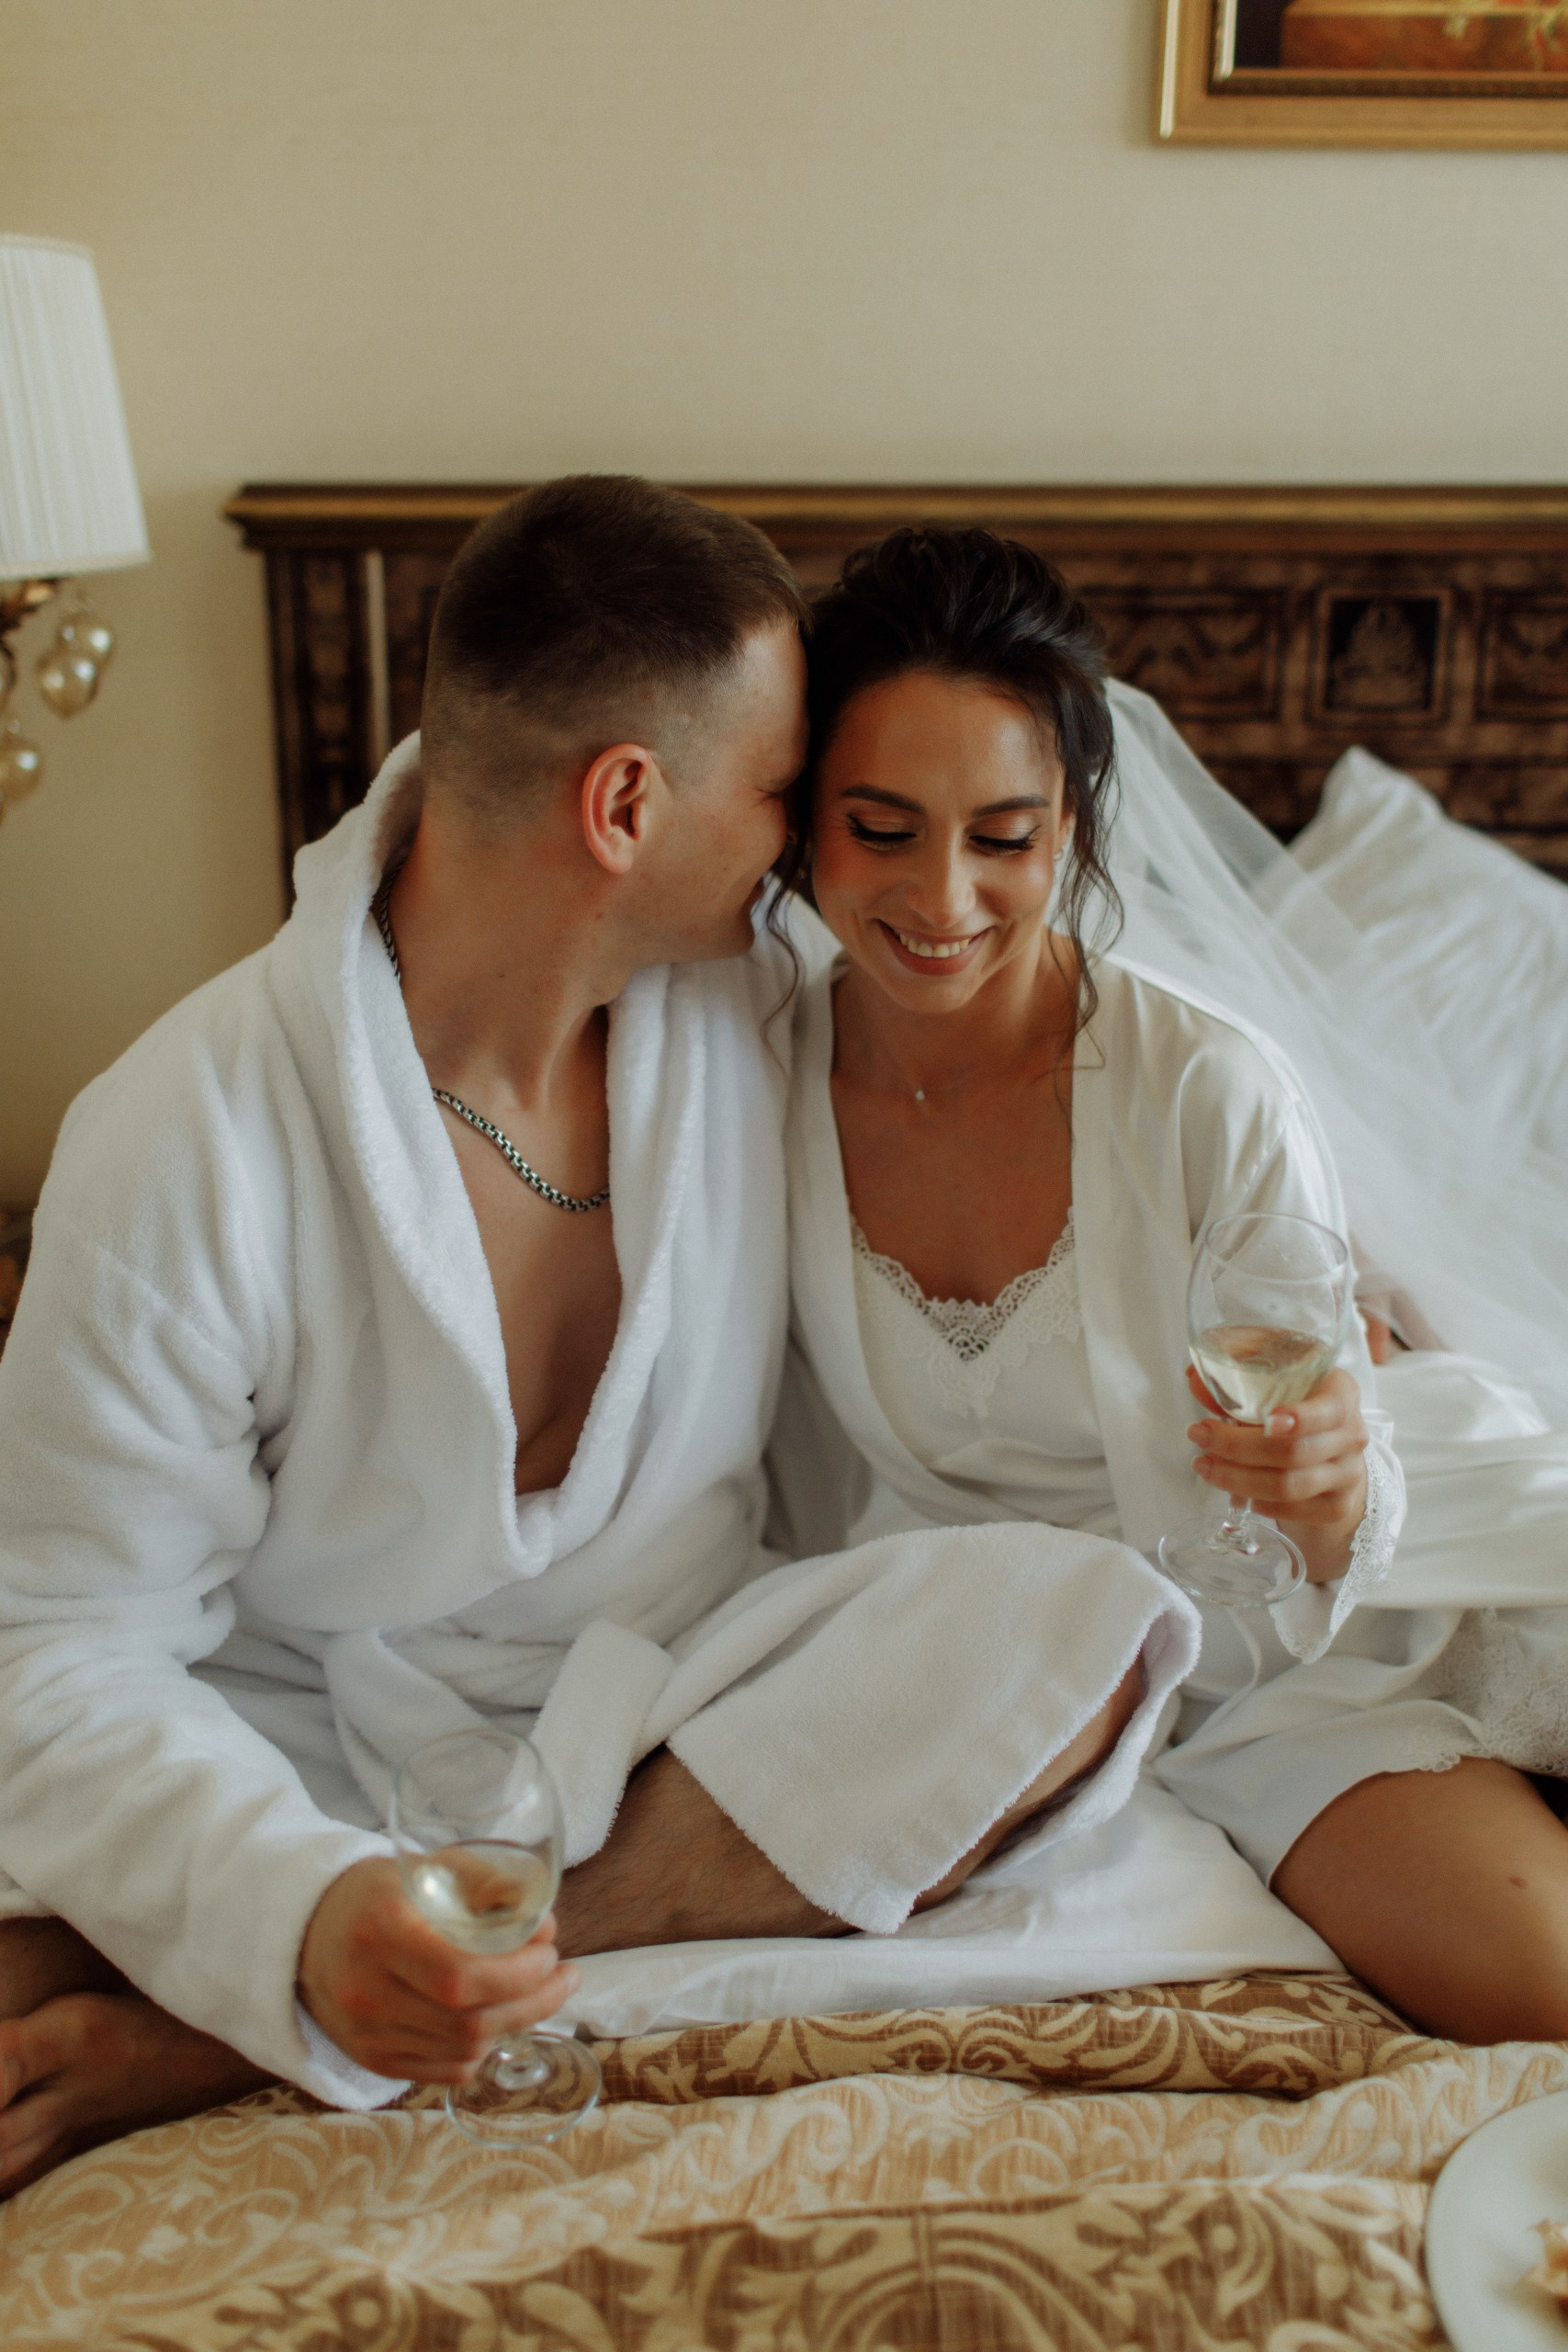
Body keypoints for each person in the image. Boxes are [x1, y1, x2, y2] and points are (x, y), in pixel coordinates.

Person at [0, 480, 1193, 2193]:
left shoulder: (758, 1005)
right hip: (315, 1727)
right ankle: (368, 1946)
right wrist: (298, 1901)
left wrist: (1266, 1255)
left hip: (672, 1706)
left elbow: (1053, 1057)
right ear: (626, 803)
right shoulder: (184, 1138)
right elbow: (57, 1650)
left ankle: (247, 2019)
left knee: (1084, 1629)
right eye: (784, 790)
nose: (806, 846)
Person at [782, 523, 1568, 2047]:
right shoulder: (746, 1070)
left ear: (1074, 830)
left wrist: (1330, 1482)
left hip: (1309, 1620)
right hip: (1034, 1661)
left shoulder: (1208, 1088)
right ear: (801, 820)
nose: (941, 896)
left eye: (1003, 837)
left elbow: (1316, 1490)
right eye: (881, 829)